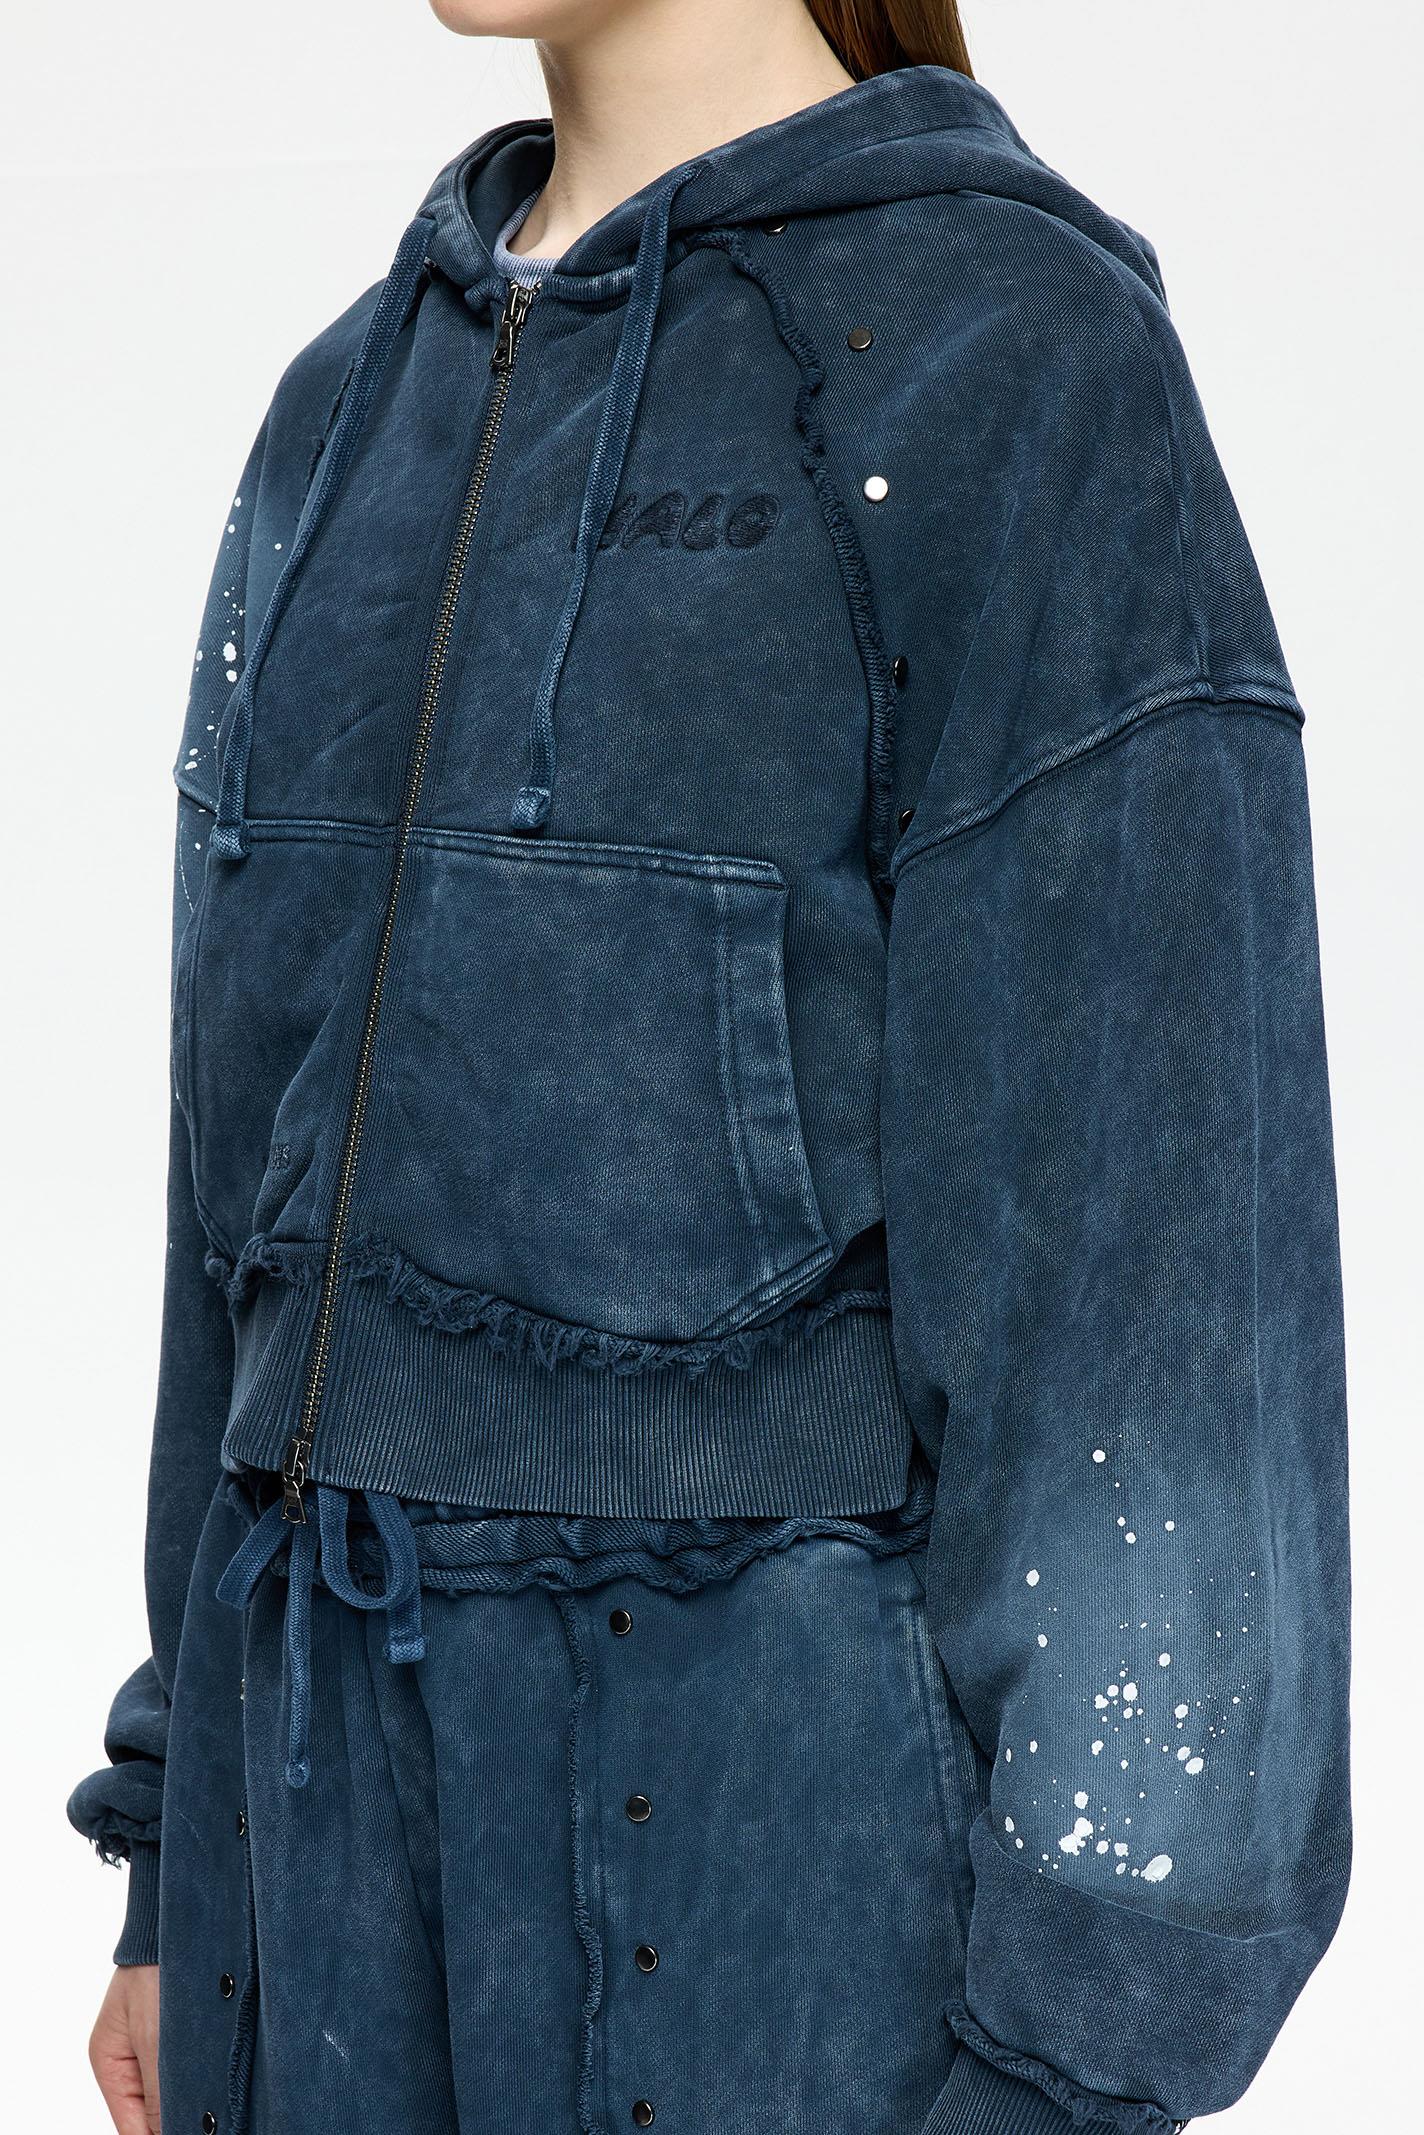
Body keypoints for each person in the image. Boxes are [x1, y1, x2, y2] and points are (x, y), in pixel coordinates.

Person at [71, 2, 1352, 2131]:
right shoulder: (344, 408)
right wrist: (174, 1835)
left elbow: (1149, 1308)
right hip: (306, 1877)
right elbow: (239, 1194)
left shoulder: (1003, 359)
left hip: (754, 1880)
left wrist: (1083, 2046)